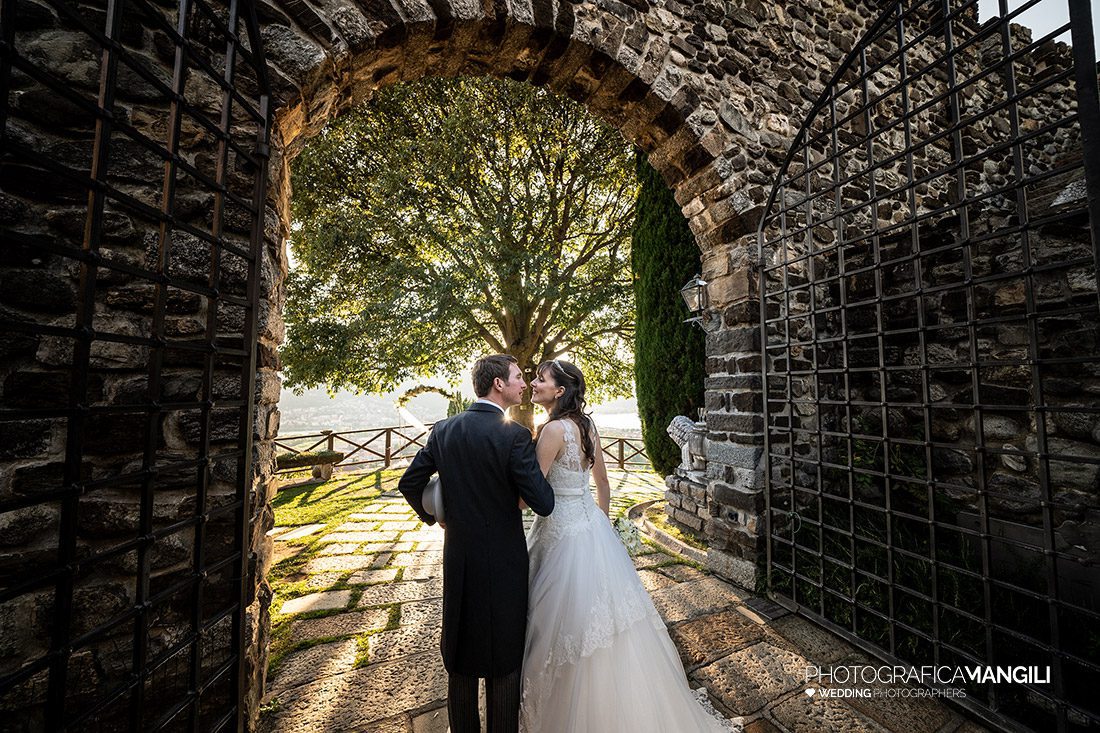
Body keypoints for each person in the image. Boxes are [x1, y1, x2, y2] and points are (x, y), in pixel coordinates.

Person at [519, 359, 731, 732]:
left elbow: (529, 493)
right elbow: (602, 484)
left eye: (541, 378)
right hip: (590, 530)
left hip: (559, 533)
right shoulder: (587, 426)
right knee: (605, 621)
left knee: (558, 623)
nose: (534, 383)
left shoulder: (552, 430)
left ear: (560, 391)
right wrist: (602, 527)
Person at [398, 354, 555, 733]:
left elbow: (409, 483)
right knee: (504, 656)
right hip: (505, 561)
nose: (523, 384)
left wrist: (439, 518)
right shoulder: (515, 435)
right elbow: (544, 502)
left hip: (459, 557)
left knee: (460, 652)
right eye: (518, 377)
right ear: (498, 384)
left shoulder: (444, 429)